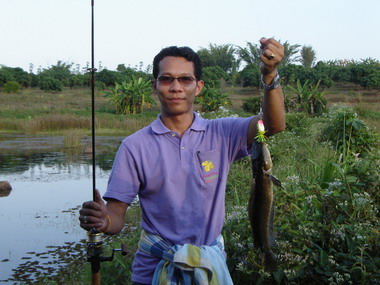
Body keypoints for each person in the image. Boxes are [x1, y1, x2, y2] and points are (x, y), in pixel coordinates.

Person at [79, 37, 285, 284]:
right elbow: (116, 214)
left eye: (185, 79)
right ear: (155, 86)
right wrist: (104, 220)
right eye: (167, 79)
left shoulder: (224, 132)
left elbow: (271, 126)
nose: (175, 87)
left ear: (198, 87)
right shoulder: (134, 146)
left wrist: (270, 76)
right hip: (152, 271)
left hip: (209, 267)